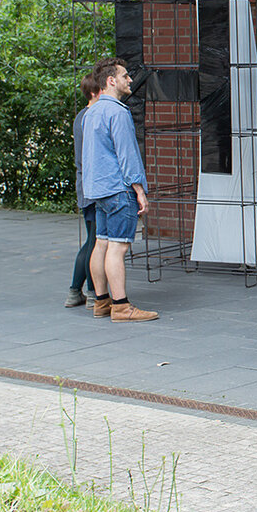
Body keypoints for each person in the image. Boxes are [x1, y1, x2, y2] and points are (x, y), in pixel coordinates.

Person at [82, 57, 158, 322]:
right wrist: (139, 190)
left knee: (101, 243)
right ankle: (122, 307)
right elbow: (127, 155)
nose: (130, 80)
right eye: (125, 76)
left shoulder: (90, 113)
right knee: (118, 248)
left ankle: (101, 303)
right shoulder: (118, 112)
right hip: (118, 189)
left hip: (98, 190)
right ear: (111, 80)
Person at [65, 72, 101, 307]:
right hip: (92, 187)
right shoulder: (92, 116)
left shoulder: (81, 116)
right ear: (94, 92)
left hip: (85, 186)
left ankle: (75, 292)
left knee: (91, 240)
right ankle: (92, 293)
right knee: (95, 241)